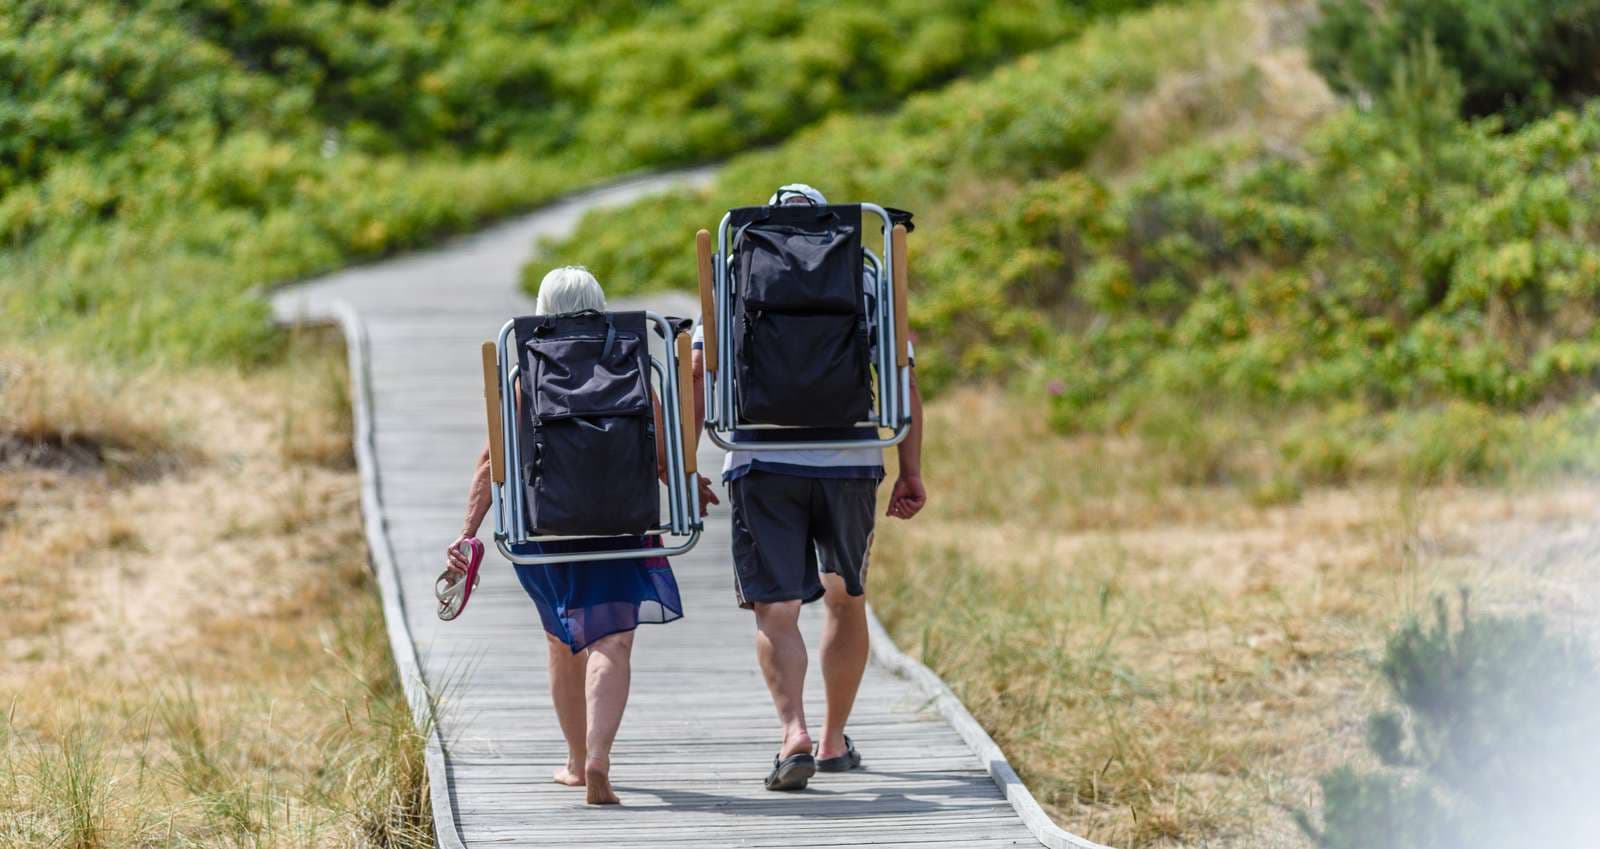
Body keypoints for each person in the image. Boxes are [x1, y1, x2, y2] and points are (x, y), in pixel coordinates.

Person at [449, 265, 718, 805]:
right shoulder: (630, 364)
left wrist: (467, 533)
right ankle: (599, 757)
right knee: (611, 642)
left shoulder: (528, 371)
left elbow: (491, 462)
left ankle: (575, 762)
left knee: (562, 640)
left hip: (547, 529)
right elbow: (662, 454)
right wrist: (690, 485)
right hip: (622, 523)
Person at [691, 184, 927, 792]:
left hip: (761, 458)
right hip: (851, 457)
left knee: (776, 609)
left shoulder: (735, 270)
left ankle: (792, 732)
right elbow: (902, 375)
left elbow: (698, 372)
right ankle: (832, 741)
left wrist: (687, 465)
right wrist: (910, 469)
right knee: (846, 598)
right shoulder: (862, 272)